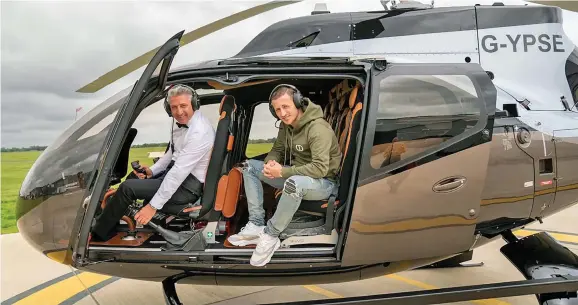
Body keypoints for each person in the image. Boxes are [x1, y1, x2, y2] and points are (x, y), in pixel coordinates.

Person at [227, 84, 341, 267]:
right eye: (277, 109)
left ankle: (270, 235)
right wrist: (270, 163)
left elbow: (320, 169)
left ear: (298, 103)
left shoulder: (318, 128)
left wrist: (283, 171)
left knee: (293, 183)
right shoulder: (286, 126)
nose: (282, 113)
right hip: (298, 176)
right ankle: (256, 223)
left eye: (286, 106)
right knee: (249, 167)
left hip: (324, 183)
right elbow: (277, 150)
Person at [91, 84, 215, 241]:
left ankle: (98, 234)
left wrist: (152, 207)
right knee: (135, 177)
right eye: (174, 107)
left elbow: (178, 173)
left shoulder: (199, 132)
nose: (179, 112)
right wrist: (152, 170)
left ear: (194, 104)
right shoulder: (181, 124)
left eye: (183, 106)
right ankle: (111, 219)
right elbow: (172, 153)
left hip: (186, 187)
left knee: (127, 188)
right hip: (177, 176)